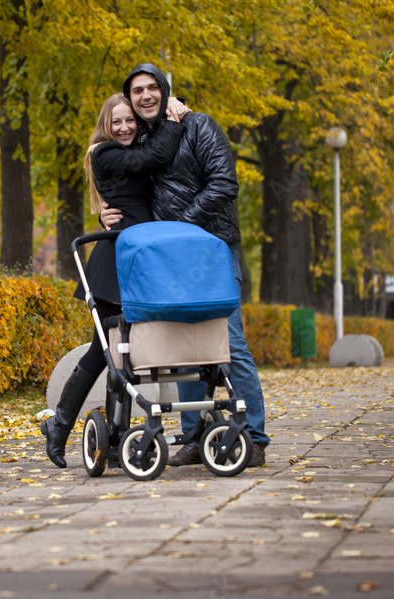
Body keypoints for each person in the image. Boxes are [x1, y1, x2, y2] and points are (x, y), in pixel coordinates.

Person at [101, 63, 270, 467]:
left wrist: (184, 226)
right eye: (137, 90)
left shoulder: (198, 126)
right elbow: (125, 187)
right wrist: (108, 217)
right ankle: (196, 435)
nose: (145, 96)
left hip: (211, 250)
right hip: (170, 259)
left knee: (229, 343)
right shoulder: (140, 142)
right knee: (185, 346)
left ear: (164, 90)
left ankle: (256, 436)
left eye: (152, 88)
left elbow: (224, 183)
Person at [40, 93, 186, 468]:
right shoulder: (102, 152)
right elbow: (153, 158)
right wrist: (171, 121)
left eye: (129, 121)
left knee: (122, 352)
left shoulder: (137, 147)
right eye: (116, 121)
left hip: (140, 257)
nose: (123, 127)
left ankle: (117, 434)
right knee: (103, 350)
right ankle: (60, 424)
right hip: (115, 259)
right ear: (106, 124)